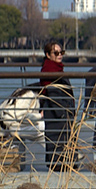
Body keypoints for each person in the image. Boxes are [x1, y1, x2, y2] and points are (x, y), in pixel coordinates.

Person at [38, 41, 77, 170]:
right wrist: (63, 114)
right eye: (56, 53)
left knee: (63, 146)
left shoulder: (57, 68)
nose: (60, 55)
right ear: (48, 55)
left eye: (61, 52)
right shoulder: (49, 70)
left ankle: (63, 167)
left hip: (61, 115)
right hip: (57, 115)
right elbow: (51, 92)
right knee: (58, 145)